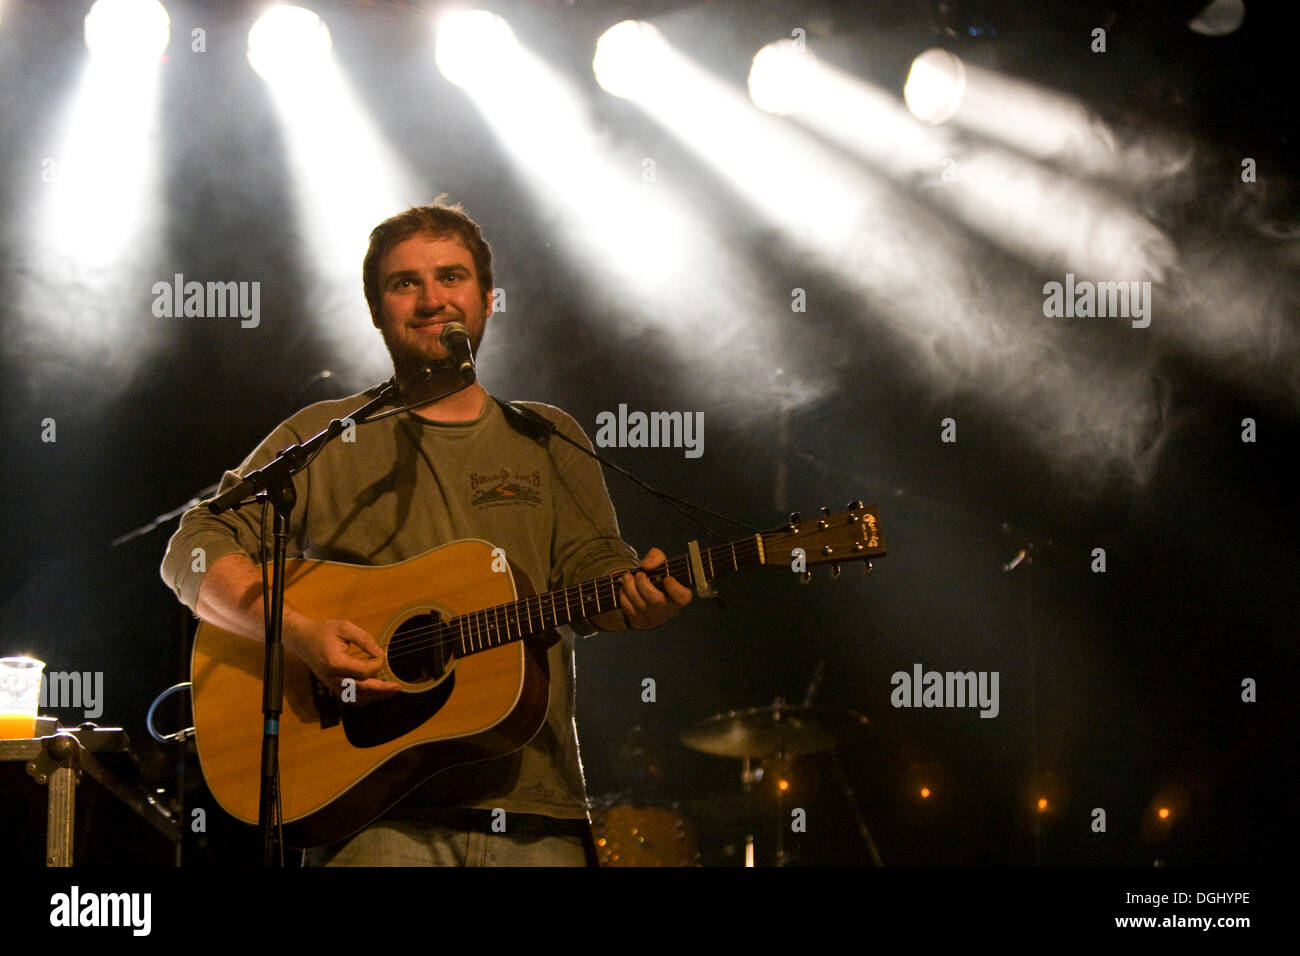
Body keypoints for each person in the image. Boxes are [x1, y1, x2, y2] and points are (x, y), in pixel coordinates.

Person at [160, 201, 692, 865]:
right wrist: (299, 632)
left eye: (452, 277)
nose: (432, 298)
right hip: (371, 814)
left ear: (489, 300)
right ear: (377, 310)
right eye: (404, 283)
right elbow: (194, 544)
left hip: (532, 810)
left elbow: (594, 572)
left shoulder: (546, 435)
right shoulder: (326, 434)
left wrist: (637, 601)